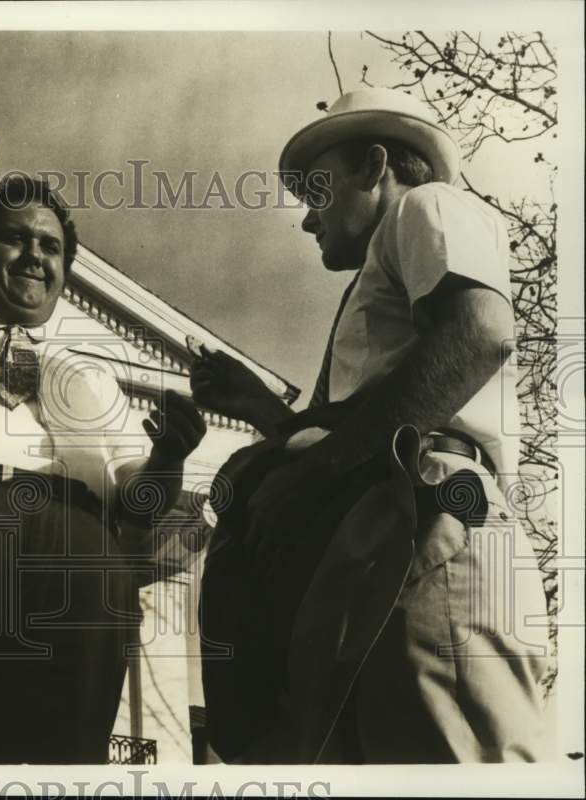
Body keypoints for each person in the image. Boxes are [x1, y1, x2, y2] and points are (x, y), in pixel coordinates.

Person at [193, 87, 549, 762]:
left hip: (431, 509)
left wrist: (317, 479)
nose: (307, 219)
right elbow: (350, 430)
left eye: (316, 191)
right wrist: (267, 415)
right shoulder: (375, 283)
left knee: (454, 757)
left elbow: (480, 332)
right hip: (382, 523)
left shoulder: (426, 205)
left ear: (373, 166)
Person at [0, 175, 207, 764]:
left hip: (81, 546)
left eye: (51, 247)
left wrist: (170, 456)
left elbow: (139, 503)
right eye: (15, 239)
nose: (35, 256)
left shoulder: (93, 378)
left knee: (68, 745)